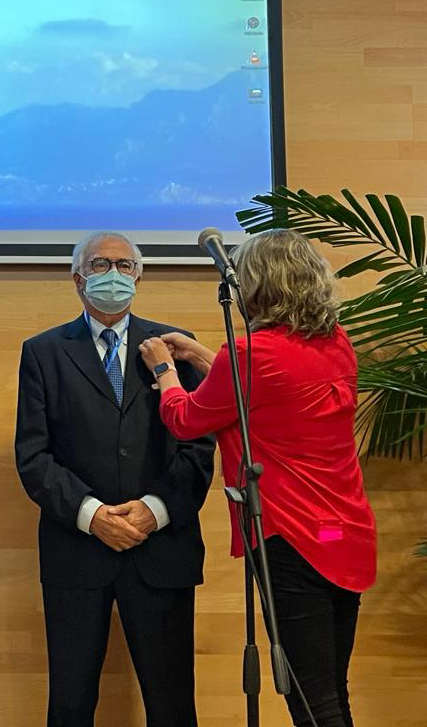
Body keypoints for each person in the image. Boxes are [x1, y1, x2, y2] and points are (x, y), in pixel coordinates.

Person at [139, 228, 377, 727]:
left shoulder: (249, 356)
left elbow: (186, 417)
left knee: (311, 701)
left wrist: (165, 371)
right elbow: (259, 397)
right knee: (331, 687)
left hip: (292, 538)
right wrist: (205, 357)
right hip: (342, 533)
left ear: (257, 285)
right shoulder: (335, 343)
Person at [15, 231, 215, 727]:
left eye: (126, 266)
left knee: (172, 704)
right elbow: (33, 457)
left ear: (140, 277)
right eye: (101, 264)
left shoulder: (175, 347)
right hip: (77, 551)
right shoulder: (43, 352)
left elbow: (198, 447)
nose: (114, 275)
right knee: (70, 702)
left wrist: (154, 510)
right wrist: (93, 516)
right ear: (77, 278)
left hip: (162, 549)